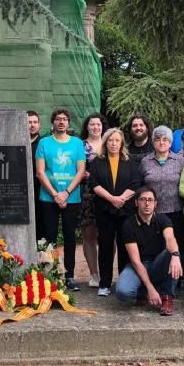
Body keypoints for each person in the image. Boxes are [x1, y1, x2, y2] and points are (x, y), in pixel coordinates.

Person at [35, 108, 86, 292]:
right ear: (53, 123)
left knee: (70, 236)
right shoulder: (44, 143)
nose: (61, 122)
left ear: (68, 123)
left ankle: (70, 274)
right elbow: (40, 172)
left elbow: (80, 171)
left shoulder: (77, 143)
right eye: (58, 119)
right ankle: (49, 273)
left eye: (64, 119)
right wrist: (55, 194)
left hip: (71, 197)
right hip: (48, 197)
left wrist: (65, 192)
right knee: (49, 236)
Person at [89, 127, 142, 296]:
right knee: (105, 246)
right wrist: (112, 199)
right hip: (105, 210)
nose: (113, 143)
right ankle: (104, 283)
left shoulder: (130, 161)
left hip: (126, 210)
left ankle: (124, 281)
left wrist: (121, 199)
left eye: (117, 140)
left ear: (122, 143)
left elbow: (136, 184)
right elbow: (94, 184)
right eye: (110, 140)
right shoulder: (97, 161)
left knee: (125, 246)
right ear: (105, 143)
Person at [115, 186, 183, 316]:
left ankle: (166, 297)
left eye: (150, 200)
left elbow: (170, 238)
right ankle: (145, 291)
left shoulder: (163, 219)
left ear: (155, 203)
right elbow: (135, 261)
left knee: (171, 253)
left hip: (159, 264)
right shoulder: (129, 224)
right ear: (136, 202)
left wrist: (175, 255)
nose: (147, 203)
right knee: (123, 293)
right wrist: (150, 288)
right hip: (138, 265)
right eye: (143, 200)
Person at [139, 126, 184, 287]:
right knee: (156, 248)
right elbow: (141, 185)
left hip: (175, 211)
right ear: (153, 141)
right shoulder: (145, 162)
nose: (162, 142)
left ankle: (174, 282)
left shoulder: (180, 161)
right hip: (152, 214)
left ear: (171, 142)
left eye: (165, 139)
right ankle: (156, 281)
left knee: (175, 247)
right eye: (158, 139)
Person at [79, 112, 106, 288]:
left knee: (107, 236)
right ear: (87, 127)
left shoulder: (110, 142)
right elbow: (75, 168)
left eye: (98, 124)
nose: (95, 127)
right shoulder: (80, 146)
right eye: (92, 124)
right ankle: (94, 274)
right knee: (89, 235)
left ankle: (106, 273)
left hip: (107, 194)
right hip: (88, 194)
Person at [28, 110, 43, 239]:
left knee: (40, 225)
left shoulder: (44, 143)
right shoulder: (17, 142)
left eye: (35, 122)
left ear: (39, 125)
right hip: (21, 192)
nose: (32, 125)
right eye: (29, 122)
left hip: (40, 190)